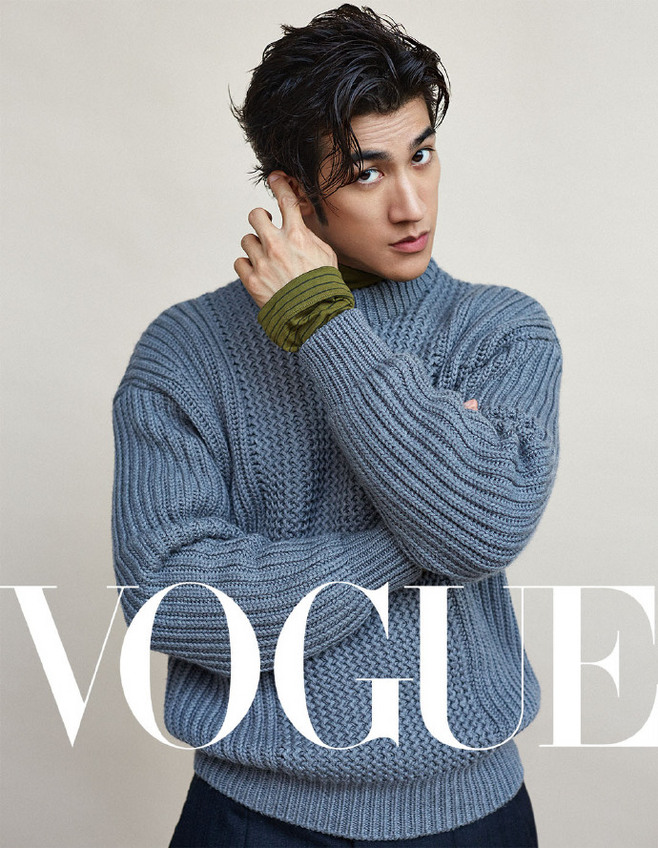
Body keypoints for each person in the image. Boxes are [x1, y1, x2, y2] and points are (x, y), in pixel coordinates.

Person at [112, 5, 561, 846]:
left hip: (470, 816)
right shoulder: (186, 352)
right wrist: (428, 528)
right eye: (365, 173)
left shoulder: (502, 330)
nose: (410, 203)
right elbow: (171, 602)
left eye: (421, 154)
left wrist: (323, 324)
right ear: (290, 189)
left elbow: (493, 522)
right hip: (252, 817)